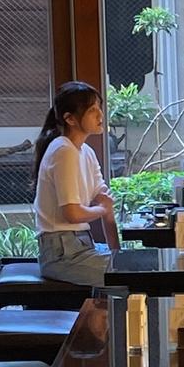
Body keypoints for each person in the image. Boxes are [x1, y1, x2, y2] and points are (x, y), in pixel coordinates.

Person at [32, 81, 120, 288]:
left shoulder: (86, 151)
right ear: (70, 119)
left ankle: (102, 310)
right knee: (132, 276)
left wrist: (118, 253)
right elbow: (73, 213)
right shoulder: (63, 151)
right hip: (61, 254)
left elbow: (106, 203)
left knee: (135, 268)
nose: (100, 115)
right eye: (92, 110)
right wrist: (102, 209)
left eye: (99, 107)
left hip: (79, 246)